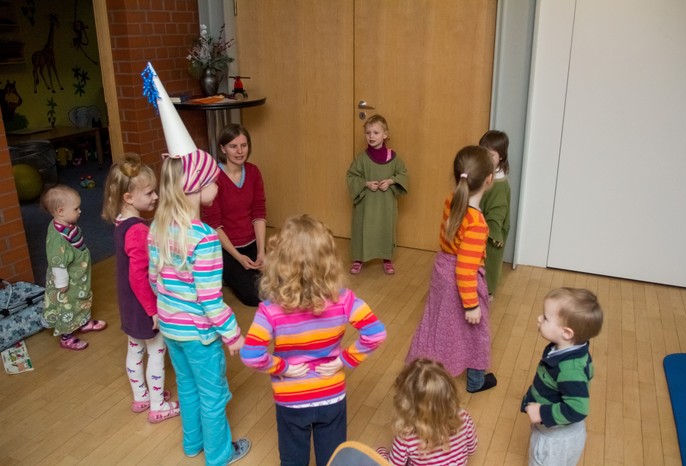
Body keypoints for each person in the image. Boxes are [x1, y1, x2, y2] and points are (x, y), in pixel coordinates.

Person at [142, 62, 250, 465]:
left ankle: (192, 445)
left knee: (186, 389)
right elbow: (209, 299)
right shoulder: (204, 239)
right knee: (213, 395)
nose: (217, 183)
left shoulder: (157, 227)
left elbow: (155, 280)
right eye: (211, 180)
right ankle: (219, 455)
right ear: (195, 187)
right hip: (200, 335)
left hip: (171, 328)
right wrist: (232, 334)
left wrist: (164, 310)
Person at [240, 214, 387, 466]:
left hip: (291, 398)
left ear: (280, 261)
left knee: (293, 461)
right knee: (332, 459)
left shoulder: (270, 310)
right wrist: (343, 360)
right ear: (329, 260)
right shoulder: (345, 299)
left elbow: (251, 355)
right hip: (331, 393)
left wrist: (283, 367)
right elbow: (376, 333)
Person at [405, 146, 497, 393]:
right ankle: (475, 381)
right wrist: (472, 305)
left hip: (442, 270)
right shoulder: (477, 223)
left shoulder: (452, 199)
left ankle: (424, 372)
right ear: (489, 180)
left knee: (439, 323)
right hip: (462, 280)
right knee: (476, 331)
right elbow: (465, 269)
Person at [101, 153, 180, 423]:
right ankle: (158, 405)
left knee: (135, 350)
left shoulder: (121, 222)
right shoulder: (138, 231)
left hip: (128, 304)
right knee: (156, 351)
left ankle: (141, 397)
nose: (155, 196)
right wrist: (153, 310)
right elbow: (139, 276)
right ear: (128, 197)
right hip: (144, 305)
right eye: (149, 193)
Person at [521, 287, 604, 466]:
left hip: (554, 439)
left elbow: (578, 409)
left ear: (566, 333)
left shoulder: (570, 369)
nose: (539, 318)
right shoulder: (568, 349)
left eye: (545, 318)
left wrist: (542, 412)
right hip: (559, 431)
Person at [201, 123, 266, 307]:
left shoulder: (253, 172)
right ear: (223, 149)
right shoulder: (213, 178)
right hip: (226, 248)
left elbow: (259, 212)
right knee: (254, 296)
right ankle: (226, 274)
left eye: (244, 145)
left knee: (281, 284)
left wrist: (261, 251)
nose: (240, 151)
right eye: (233, 146)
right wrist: (238, 257)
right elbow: (214, 224)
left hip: (252, 243)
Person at [41, 184, 107, 351]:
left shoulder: (67, 225)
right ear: (61, 211)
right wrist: (62, 283)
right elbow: (57, 263)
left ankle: (83, 322)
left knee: (82, 299)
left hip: (78, 276)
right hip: (67, 281)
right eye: (76, 208)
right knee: (68, 306)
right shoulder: (57, 239)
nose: (80, 211)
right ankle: (66, 337)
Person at [377, 359, 478, 465]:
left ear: (405, 404)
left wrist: (381, 452)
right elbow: (472, 449)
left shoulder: (406, 437)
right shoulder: (463, 417)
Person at [346, 114, 408, 275]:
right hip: (366, 204)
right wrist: (366, 184)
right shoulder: (361, 159)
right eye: (368, 133)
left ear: (385, 135)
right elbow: (352, 176)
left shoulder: (393, 158)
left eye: (376, 132)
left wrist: (391, 181)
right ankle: (358, 258)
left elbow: (403, 174)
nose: (371, 136)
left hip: (385, 204)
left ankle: (387, 258)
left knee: (385, 228)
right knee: (362, 228)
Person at [478, 130, 511, 298]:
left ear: (501, 157)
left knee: (490, 261)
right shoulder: (486, 174)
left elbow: (498, 211)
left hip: (492, 231)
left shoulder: (499, 184)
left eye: (490, 155)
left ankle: (487, 291)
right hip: (482, 226)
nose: (485, 157)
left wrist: (493, 233)